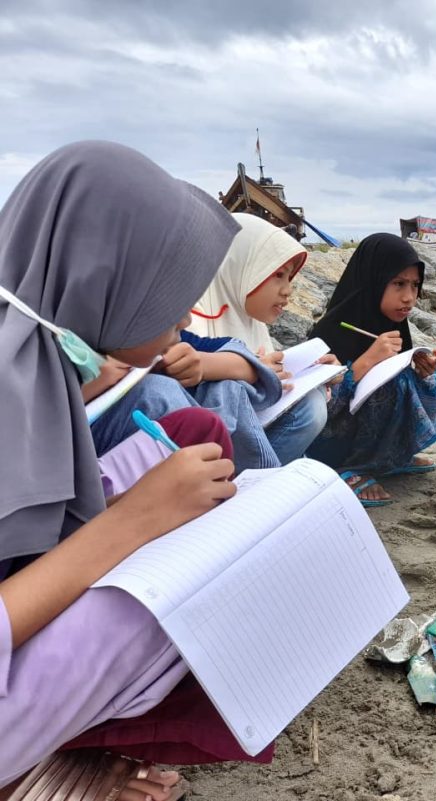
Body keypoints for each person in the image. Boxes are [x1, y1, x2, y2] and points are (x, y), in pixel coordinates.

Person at [0, 141, 271, 799]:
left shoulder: (33, 366)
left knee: (183, 464)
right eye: (167, 291)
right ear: (102, 282)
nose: (183, 315)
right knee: (164, 598)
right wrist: (133, 522)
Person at [306, 233, 436, 505]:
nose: (409, 297)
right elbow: (319, 406)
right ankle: (351, 468)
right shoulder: (330, 330)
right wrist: (366, 361)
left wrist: (420, 369)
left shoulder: (392, 323)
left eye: (415, 285)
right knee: (391, 385)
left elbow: (400, 370)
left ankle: (392, 456)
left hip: (365, 425)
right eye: (398, 284)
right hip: (329, 440)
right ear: (374, 281)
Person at [185, 211, 336, 465]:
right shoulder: (191, 318)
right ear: (240, 265)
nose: (288, 290)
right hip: (203, 452)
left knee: (313, 398)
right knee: (310, 410)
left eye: (290, 277)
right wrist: (253, 371)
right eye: (278, 274)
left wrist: (307, 372)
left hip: (241, 443)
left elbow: (267, 368)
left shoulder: (250, 320)